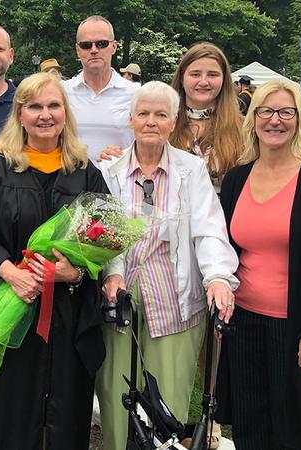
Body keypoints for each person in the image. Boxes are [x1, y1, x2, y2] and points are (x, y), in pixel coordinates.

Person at [0, 71, 110, 450]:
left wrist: (75, 272)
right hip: (11, 306)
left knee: (64, 405)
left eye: (54, 105)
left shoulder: (85, 173)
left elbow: (105, 238)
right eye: (34, 106)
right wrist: (9, 272)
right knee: (8, 404)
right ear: (19, 114)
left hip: (66, 315)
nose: (44, 114)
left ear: (65, 113)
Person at [95, 81, 239, 450]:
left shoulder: (191, 170)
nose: (151, 122)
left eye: (161, 114)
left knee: (169, 395)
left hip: (173, 298)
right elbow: (105, 236)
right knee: (116, 392)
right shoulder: (109, 171)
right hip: (120, 297)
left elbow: (207, 229)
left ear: (173, 122)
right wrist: (111, 275)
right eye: (143, 113)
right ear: (131, 119)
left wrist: (219, 277)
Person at [215, 79, 301, 449]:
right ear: (253, 118)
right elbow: (224, 247)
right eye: (267, 111)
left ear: (299, 118)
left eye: (286, 112)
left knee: (294, 426)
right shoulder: (237, 179)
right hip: (241, 321)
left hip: (296, 327)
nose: (276, 120)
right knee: (249, 422)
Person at [170, 42, 243, 196]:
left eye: (212, 74)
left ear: (224, 80)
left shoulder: (243, 128)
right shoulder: (162, 125)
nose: (203, 82)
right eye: (195, 74)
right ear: (182, 78)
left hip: (225, 216)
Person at [63, 16, 139, 160]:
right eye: (86, 45)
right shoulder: (63, 92)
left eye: (101, 43)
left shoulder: (136, 94)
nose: (94, 50)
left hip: (119, 180)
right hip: (72, 180)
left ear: (114, 46)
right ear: (78, 50)